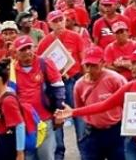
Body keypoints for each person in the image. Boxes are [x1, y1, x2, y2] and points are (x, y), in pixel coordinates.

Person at [56, 47, 136, 160]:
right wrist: (73, 112)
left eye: (134, 63)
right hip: (134, 142)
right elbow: (105, 105)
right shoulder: (130, 86)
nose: (130, 66)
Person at [36, 11, 87, 160]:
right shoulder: (44, 42)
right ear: (49, 24)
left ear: (65, 20)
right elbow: (40, 64)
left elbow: (83, 60)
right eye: (55, 21)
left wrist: (85, 81)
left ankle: (84, 151)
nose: (59, 23)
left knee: (78, 114)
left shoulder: (75, 37)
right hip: (54, 85)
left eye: (60, 20)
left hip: (73, 80)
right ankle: (59, 153)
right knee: (57, 117)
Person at [13, 35, 65, 160]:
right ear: (16, 53)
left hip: (44, 119)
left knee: (46, 155)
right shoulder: (12, 70)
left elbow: (58, 89)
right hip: (24, 124)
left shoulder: (45, 63)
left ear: (34, 48)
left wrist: (59, 112)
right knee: (28, 156)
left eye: (29, 48)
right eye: (22, 49)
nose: (27, 52)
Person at [72, 47, 128, 160]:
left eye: (94, 66)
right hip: (92, 132)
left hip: (115, 131)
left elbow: (127, 103)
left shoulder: (115, 79)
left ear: (103, 63)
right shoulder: (79, 85)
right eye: (87, 65)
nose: (90, 70)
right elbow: (79, 109)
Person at [0, 59, 23, 160]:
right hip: (1, 142)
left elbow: (19, 126)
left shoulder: (8, 100)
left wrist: (20, 153)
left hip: (8, 145)